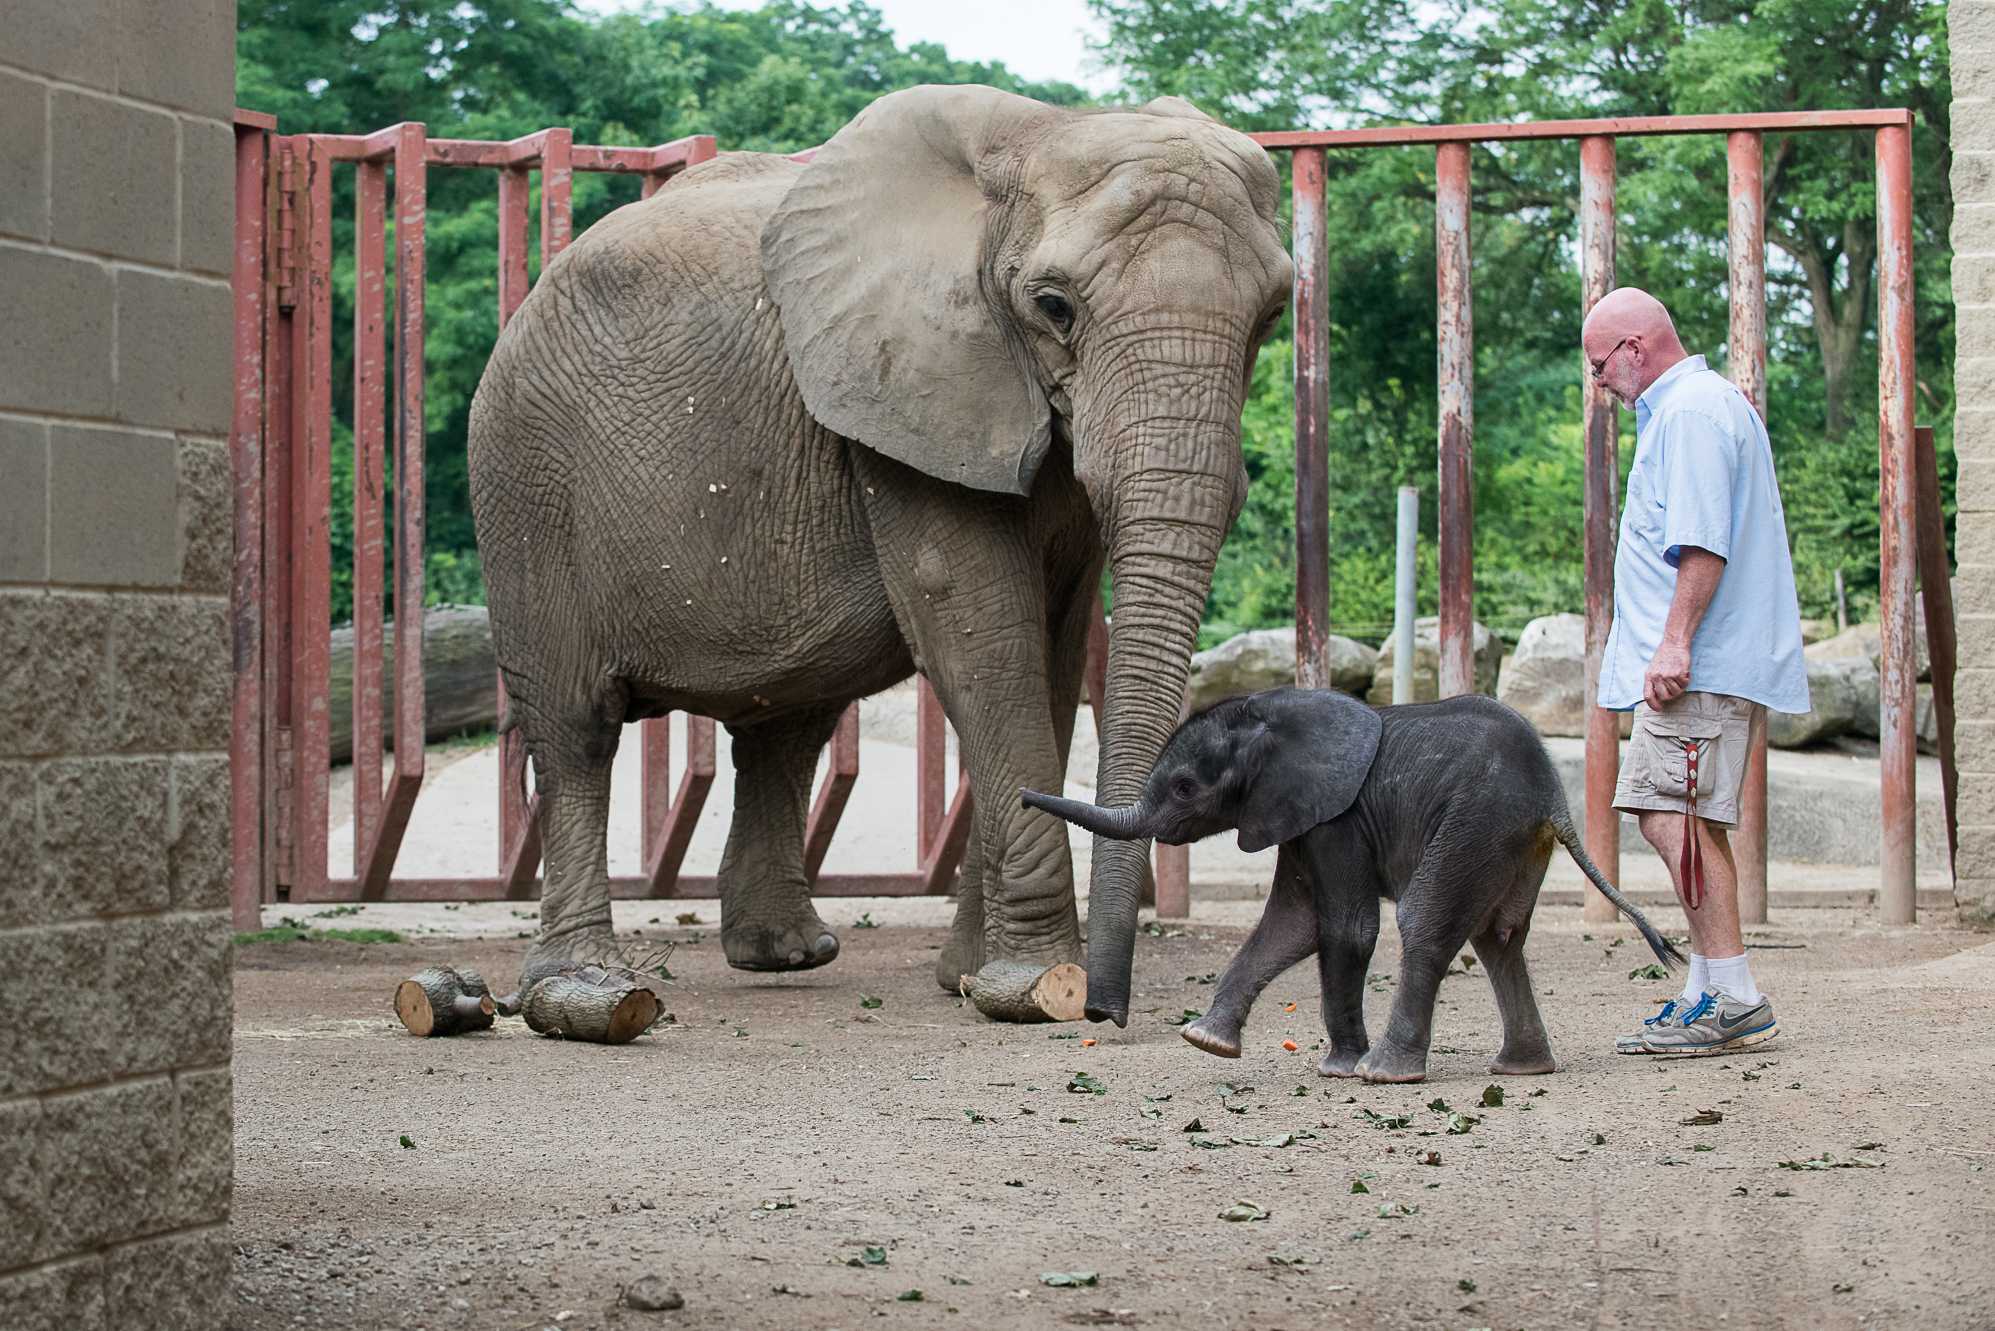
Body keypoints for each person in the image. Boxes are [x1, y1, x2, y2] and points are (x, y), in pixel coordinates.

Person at [1579, 287, 1810, 1056]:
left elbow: (1701, 541)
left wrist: (1673, 642)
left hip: (1694, 664)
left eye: (1599, 363)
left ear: (1636, 347)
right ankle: (1707, 985)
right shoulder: (1695, 408)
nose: (1598, 381)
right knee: (1683, 815)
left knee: (1665, 813)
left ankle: (1734, 991)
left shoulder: (1689, 414)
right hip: (1694, 659)